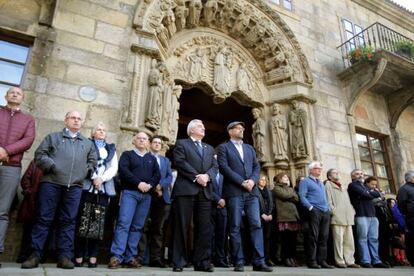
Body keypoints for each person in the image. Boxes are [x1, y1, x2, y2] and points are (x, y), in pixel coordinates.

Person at [22, 111, 96, 269]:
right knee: (43, 218)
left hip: (75, 186)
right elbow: (40, 154)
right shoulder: (53, 137)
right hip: (51, 183)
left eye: (79, 119)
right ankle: (35, 255)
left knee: (69, 221)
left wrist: (84, 172)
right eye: (73, 118)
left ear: (82, 122)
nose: (76, 121)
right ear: (66, 120)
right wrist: (53, 166)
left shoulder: (87, 143)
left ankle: (64, 256)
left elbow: (92, 161)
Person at [217, 121, 272, 272]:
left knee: (256, 224)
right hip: (234, 192)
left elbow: (256, 166)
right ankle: (238, 261)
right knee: (234, 226)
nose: (242, 130)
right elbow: (224, 168)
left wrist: (253, 181)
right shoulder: (223, 147)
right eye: (238, 128)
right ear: (230, 131)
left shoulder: (249, 148)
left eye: (242, 128)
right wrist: (242, 182)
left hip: (251, 193)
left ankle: (259, 262)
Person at [108, 132, 160, 269]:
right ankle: (116, 256)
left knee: (137, 227)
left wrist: (149, 185)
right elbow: (124, 171)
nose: (142, 141)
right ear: (134, 141)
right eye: (139, 138)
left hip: (146, 196)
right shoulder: (127, 155)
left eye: (145, 139)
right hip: (130, 193)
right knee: (123, 224)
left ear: (148, 142)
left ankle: (130, 257)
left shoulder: (151, 159)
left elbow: (157, 175)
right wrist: (138, 183)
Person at [171, 119, 218, 272]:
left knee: (204, 228)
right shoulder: (181, 143)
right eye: (199, 126)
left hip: (205, 191)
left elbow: (214, 166)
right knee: (182, 226)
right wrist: (197, 176)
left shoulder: (209, 148)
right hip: (186, 189)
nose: (203, 128)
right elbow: (180, 162)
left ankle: (202, 262)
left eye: (204, 126)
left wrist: (207, 177)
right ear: (191, 130)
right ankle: (179, 261)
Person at [0, 87, 35, 268]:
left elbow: (28, 140)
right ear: (6, 96)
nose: (14, 94)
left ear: (23, 98)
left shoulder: (28, 119)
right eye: (11, 92)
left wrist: (6, 151)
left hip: (11, 167)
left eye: (18, 93)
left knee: (2, 211)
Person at [74, 122, 118, 267]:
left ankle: (93, 255)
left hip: (103, 190)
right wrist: (93, 177)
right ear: (93, 133)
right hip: (87, 188)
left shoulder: (110, 148)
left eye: (104, 130)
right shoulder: (86, 144)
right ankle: (79, 254)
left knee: (97, 224)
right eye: (98, 129)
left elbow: (113, 168)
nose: (101, 132)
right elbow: (83, 162)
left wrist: (101, 179)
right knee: (83, 221)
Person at [140, 136, 173, 267]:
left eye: (160, 143)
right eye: (155, 142)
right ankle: (140, 257)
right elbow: (144, 175)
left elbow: (169, 176)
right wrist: (154, 186)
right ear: (150, 144)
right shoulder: (145, 157)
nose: (158, 145)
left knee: (158, 229)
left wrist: (161, 186)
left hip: (162, 198)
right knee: (142, 226)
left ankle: (155, 258)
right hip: (147, 195)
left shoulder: (165, 161)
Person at [348, 170, 388, 268]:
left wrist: (370, 192)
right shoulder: (353, 185)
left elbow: (377, 194)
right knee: (363, 238)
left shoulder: (366, 186)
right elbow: (368, 194)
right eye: (357, 174)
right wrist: (371, 193)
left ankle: (376, 260)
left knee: (374, 239)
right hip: (361, 215)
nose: (360, 175)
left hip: (372, 216)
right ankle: (365, 260)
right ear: (353, 176)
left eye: (361, 173)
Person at [298, 161, 333, 269]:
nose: (320, 170)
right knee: (313, 236)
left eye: (320, 169)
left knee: (324, 236)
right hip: (315, 210)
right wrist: (310, 207)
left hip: (325, 211)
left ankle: (322, 261)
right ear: (311, 170)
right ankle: (312, 261)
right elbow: (302, 196)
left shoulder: (321, 182)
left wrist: (328, 208)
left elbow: (324, 197)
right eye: (317, 168)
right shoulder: (305, 181)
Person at [324, 169, 359, 268]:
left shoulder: (343, 186)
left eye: (337, 172)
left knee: (349, 241)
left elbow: (348, 200)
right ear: (329, 176)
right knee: (338, 241)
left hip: (348, 216)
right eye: (334, 173)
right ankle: (339, 260)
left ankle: (350, 260)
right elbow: (328, 200)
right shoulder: (328, 184)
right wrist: (333, 211)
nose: (337, 174)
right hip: (337, 216)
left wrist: (352, 210)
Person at [16, 160, 43, 263]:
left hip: (48, 202)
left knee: (43, 227)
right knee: (28, 229)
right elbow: (25, 179)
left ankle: (38, 255)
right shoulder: (36, 162)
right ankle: (24, 254)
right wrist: (29, 192)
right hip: (33, 201)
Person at [273, 172, 300, 267]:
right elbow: (284, 196)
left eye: (287, 177)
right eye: (284, 177)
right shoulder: (277, 188)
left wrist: (290, 194)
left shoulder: (290, 188)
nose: (286, 178)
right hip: (284, 217)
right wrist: (291, 194)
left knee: (293, 240)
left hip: (293, 216)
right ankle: (286, 258)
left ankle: (292, 257)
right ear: (279, 179)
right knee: (285, 239)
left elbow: (297, 199)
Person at [211, 170, 228, 268]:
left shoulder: (224, 175)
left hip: (223, 208)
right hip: (211, 207)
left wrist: (223, 201)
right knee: (210, 234)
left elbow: (228, 189)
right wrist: (218, 200)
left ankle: (220, 259)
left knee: (222, 235)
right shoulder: (209, 174)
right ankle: (210, 258)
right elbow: (208, 189)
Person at [396, 170, 414, 266]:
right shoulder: (404, 189)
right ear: (411, 178)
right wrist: (408, 212)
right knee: (411, 239)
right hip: (411, 217)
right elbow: (401, 204)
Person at [257, 176, 274, 266]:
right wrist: (261, 214)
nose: (263, 181)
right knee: (259, 238)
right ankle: (259, 258)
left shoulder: (268, 191)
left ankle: (267, 258)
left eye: (265, 180)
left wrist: (270, 213)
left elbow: (272, 203)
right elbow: (255, 203)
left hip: (268, 217)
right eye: (261, 179)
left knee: (268, 238)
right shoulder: (255, 190)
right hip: (259, 217)